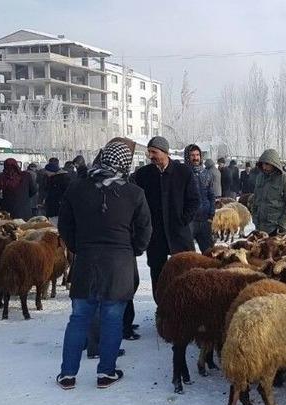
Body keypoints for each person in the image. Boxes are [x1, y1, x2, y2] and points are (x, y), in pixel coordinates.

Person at [56, 139, 151, 390]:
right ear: (125, 162)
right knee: (112, 318)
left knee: (78, 318)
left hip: (86, 262)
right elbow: (144, 230)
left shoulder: (77, 189)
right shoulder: (133, 193)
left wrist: (78, 247)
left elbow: (65, 225)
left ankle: (68, 373)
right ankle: (106, 372)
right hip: (119, 264)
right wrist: (133, 250)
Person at [133, 136, 200, 300]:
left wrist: (183, 220)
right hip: (155, 234)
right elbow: (136, 202)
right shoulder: (143, 174)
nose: (151, 156)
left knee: (186, 269)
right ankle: (161, 306)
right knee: (158, 271)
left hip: (179, 232)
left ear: (165, 152)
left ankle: (187, 303)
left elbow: (194, 200)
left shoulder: (183, 172)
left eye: (154, 152)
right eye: (149, 152)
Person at [249, 148, 286, 234]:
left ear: (274, 164)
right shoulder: (260, 178)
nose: (264, 167)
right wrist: (255, 218)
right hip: (260, 228)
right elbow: (255, 198)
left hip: (277, 229)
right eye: (262, 164)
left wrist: (282, 224)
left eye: (267, 164)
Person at [186, 144, 216, 253]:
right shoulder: (184, 173)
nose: (195, 158)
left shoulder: (207, 174)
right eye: (192, 155)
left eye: (197, 155)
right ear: (187, 157)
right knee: (188, 253)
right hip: (190, 220)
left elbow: (211, 195)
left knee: (209, 252)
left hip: (205, 219)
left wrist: (211, 215)